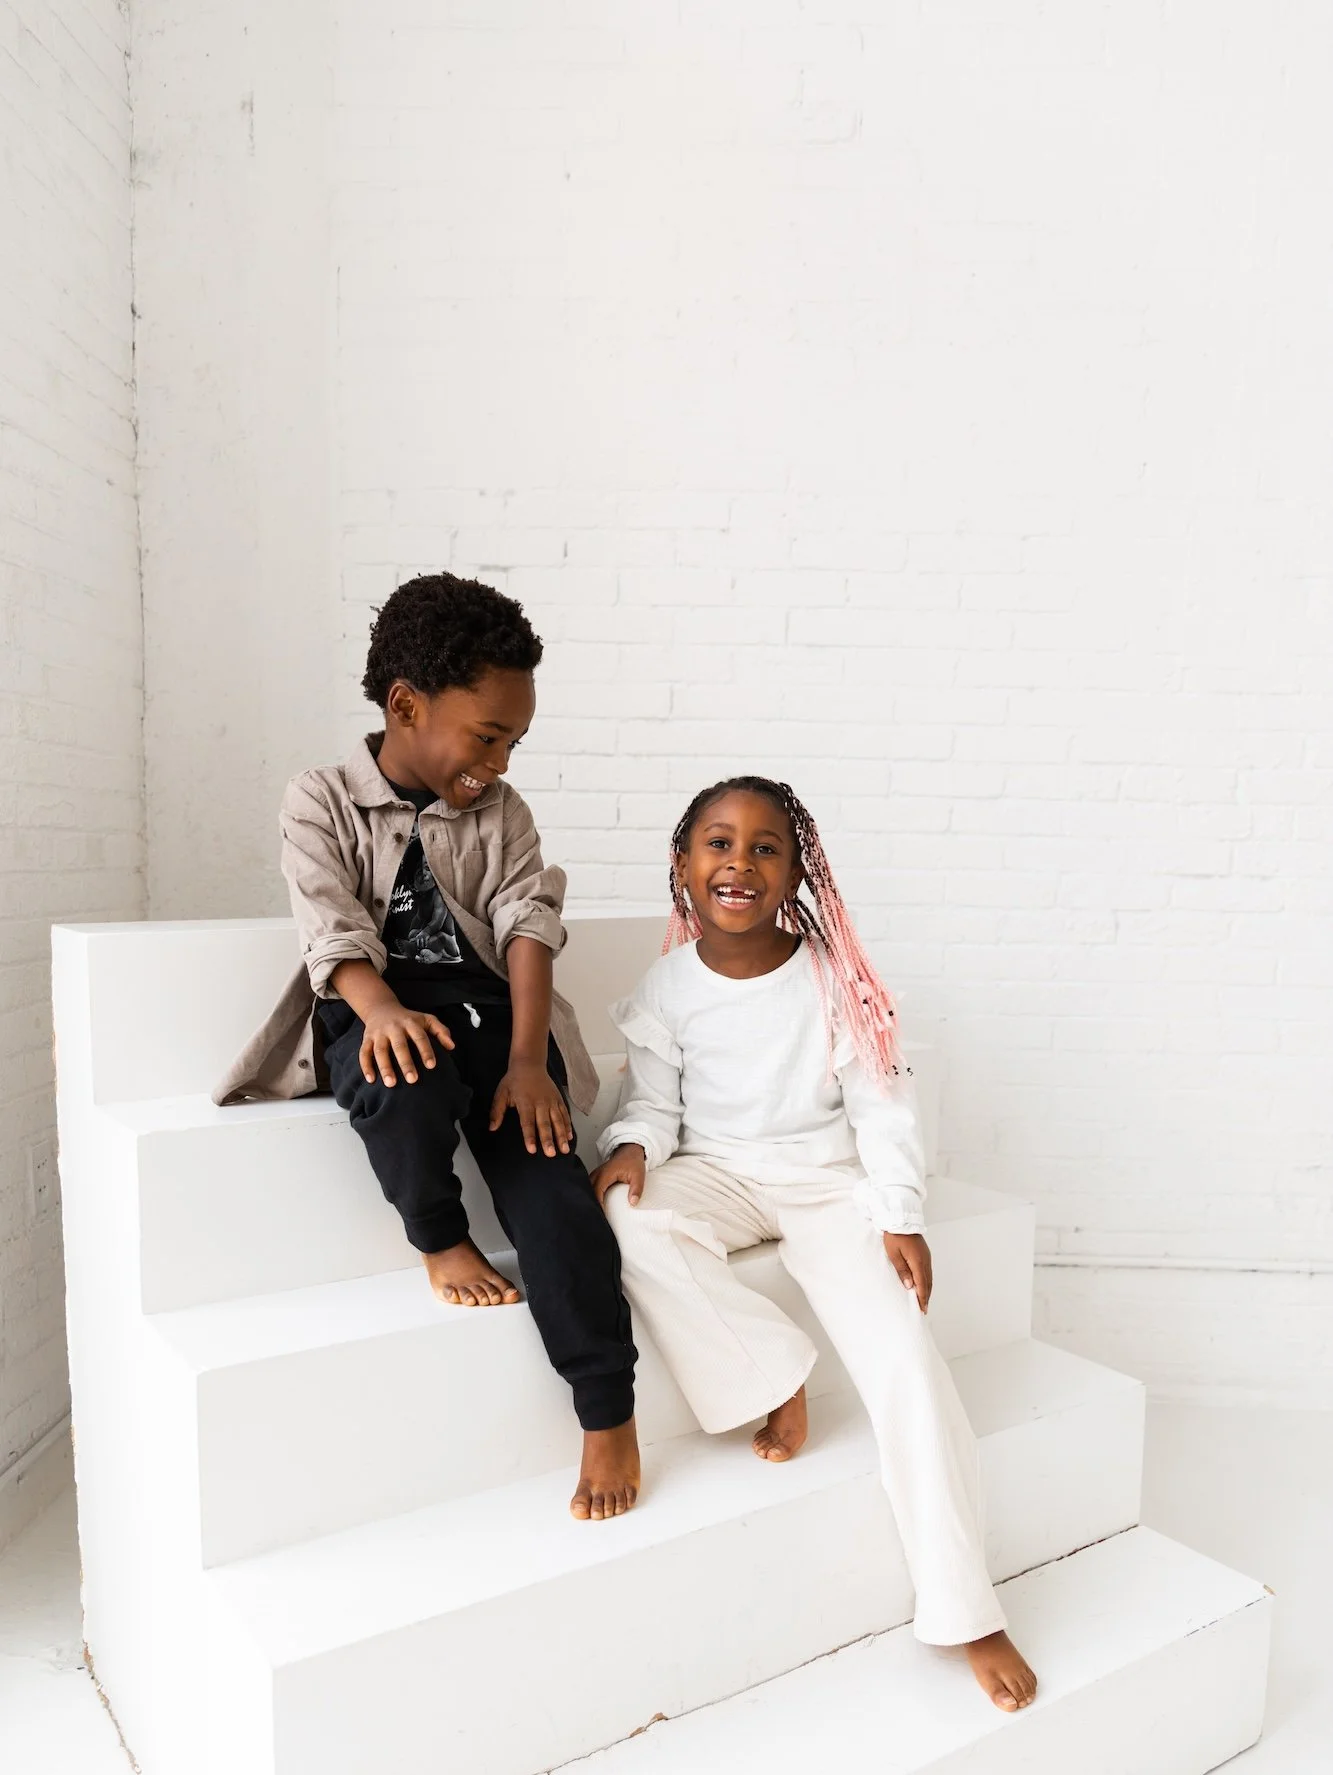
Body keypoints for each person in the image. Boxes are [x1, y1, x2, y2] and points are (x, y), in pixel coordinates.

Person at [590, 776, 1037, 1708]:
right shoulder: (666, 986)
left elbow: (882, 1105)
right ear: (682, 866)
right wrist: (633, 1144)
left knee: (905, 1360)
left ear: (799, 874)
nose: (738, 863)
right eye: (717, 844)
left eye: (765, 848)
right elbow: (655, 1105)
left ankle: (967, 1606)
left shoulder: (834, 981)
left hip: (827, 1184)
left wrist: (900, 1211)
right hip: (716, 1170)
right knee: (631, 1220)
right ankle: (771, 1372)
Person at [214, 573, 639, 1522]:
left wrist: (530, 1062)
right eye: (487, 734)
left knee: (554, 1195)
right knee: (401, 1081)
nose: (499, 759)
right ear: (406, 705)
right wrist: (380, 1013)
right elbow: (330, 931)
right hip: (371, 1003)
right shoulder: (320, 797)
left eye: (515, 741)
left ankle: (607, 1409)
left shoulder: (501, 812)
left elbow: (528, 923)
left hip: (493, 1015)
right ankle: (441, 1240)